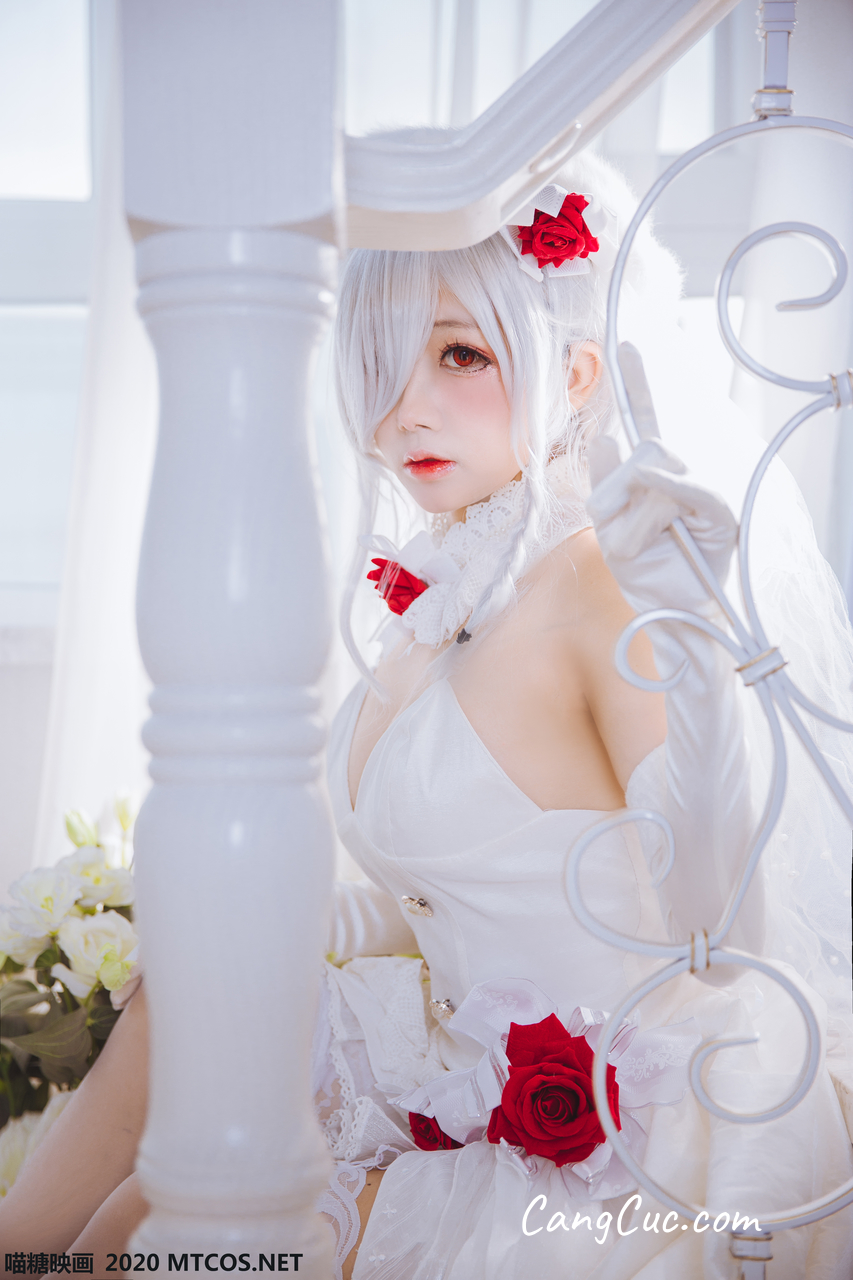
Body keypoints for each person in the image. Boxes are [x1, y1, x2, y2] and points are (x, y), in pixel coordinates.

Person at [2, 151, 852, 1280]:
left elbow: (725, 932)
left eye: (459, 354)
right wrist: (248, 918)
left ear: (575, 373)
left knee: (159, 1223)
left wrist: (692, 652)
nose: (404, 409)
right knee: (187, 1010)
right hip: (458, 1051)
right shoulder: (454, 591)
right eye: (379, 360)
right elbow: (448, 892)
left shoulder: (606, 589)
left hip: (608, 1126)